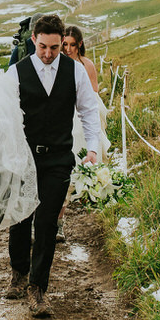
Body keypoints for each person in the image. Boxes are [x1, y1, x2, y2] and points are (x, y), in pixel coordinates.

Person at [4, 14, 101, 318]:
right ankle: (18, 271)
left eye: (54, 48)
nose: (48, 54)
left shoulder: (75, 72)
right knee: (20, 218)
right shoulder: (16, 73)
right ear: (34, 40)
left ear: (62, 43)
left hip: (59, 158)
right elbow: (5, 117)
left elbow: (88, 110)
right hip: (25, 157)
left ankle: (37, 288)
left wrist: (94, 148)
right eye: (43, 47)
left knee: (46, 223)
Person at [55, 25, 110, 242]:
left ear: (79, 45)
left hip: (81, 121)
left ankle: (94, 205)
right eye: (65, 45)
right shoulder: (57, 64)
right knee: (62, 174)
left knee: (78, 169)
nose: (67, 49)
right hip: (64, 121)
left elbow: (93, 96)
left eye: (72, 45)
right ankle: (58, 221)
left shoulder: (87, 65)